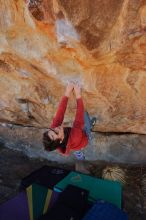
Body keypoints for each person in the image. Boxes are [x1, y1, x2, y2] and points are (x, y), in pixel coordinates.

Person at [43, 82, 96, 159]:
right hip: (83, 139)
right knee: (85, 115)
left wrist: (67, 93)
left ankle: (78, 152)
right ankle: (90, 128)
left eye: (52, 129)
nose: (55, 128)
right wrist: (78, 95)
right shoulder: (75, 136)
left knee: (74, 147)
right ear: (60, 140)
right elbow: (79, 119)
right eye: (56, 133)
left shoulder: (55, 136)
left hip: (72, 143)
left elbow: (60, 113)